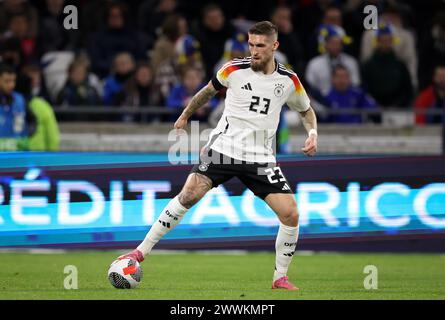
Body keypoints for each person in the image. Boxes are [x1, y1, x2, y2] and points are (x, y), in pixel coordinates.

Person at [117, 21, 318, 290]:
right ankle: (139, 252)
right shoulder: (233, 69)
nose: (254, 50)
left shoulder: (288, 80)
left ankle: (280, 277)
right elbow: (207, 92)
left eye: (260, 45)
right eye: (251, 44)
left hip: (261, 158)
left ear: (274, 46)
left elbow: (306, 110)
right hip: (223, 149)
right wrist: (186, 115)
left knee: (291, 214)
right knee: (188, 195)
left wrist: (312, 133)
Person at [0, 63, 27, 150]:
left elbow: (21, 128)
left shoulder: (19, 99)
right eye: (7, 81)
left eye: (13, 81)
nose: (11, 85)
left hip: (14, 154)